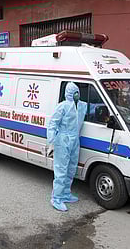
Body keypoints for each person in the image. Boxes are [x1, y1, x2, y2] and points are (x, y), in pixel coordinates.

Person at [46, 82, 87, 212]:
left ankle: (65, 194)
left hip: (75, 139)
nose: (76, 94)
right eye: (73, 91)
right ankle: (56, 198)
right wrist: (51, 142)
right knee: (61, 170)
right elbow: (53, 124)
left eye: (77, 91)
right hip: (63, 140)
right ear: (68, 93)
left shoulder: (82, 106)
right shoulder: (62, 107)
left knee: (71, 168)